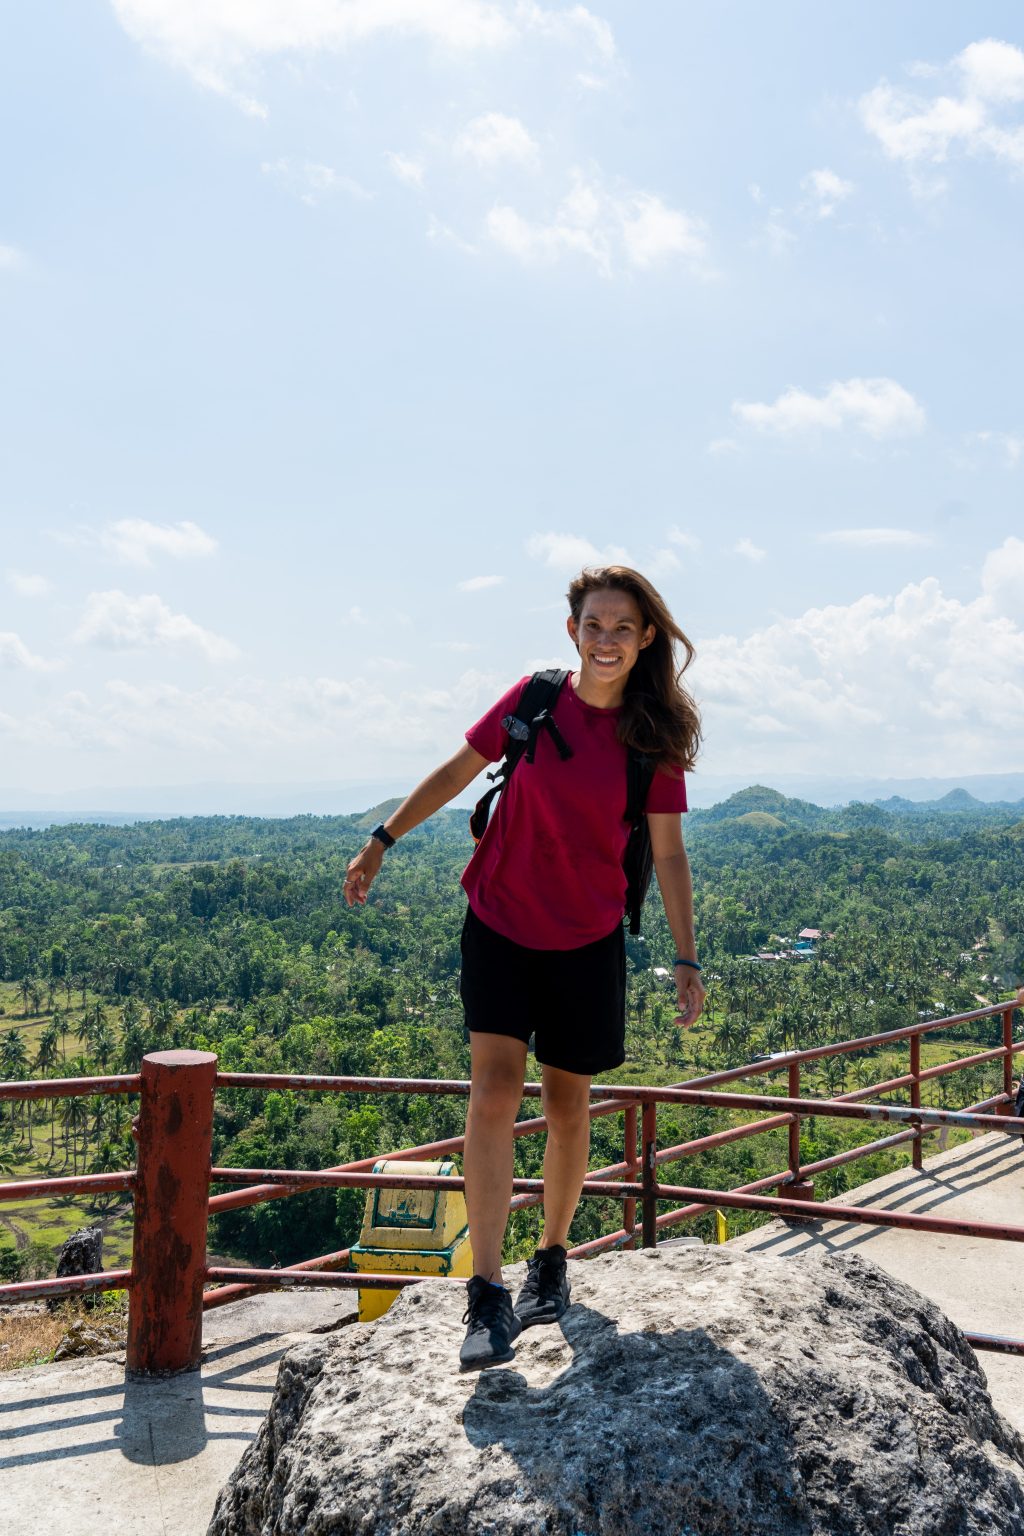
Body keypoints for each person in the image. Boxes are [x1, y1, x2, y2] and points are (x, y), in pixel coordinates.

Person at [343, 565, 704, 1368]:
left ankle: (550, 1259)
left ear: (647, 639)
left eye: (622, 628)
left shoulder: (651, 739)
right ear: (571, 630)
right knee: (494, 1093)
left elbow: (670, 855)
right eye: (593, 625)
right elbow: (455, 771)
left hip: (587, 938)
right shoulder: (533, 701)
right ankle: (487, 1292)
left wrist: (684, 954)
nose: (605, 640)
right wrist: (382, 839)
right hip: (500, 920)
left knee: (568, 1104)